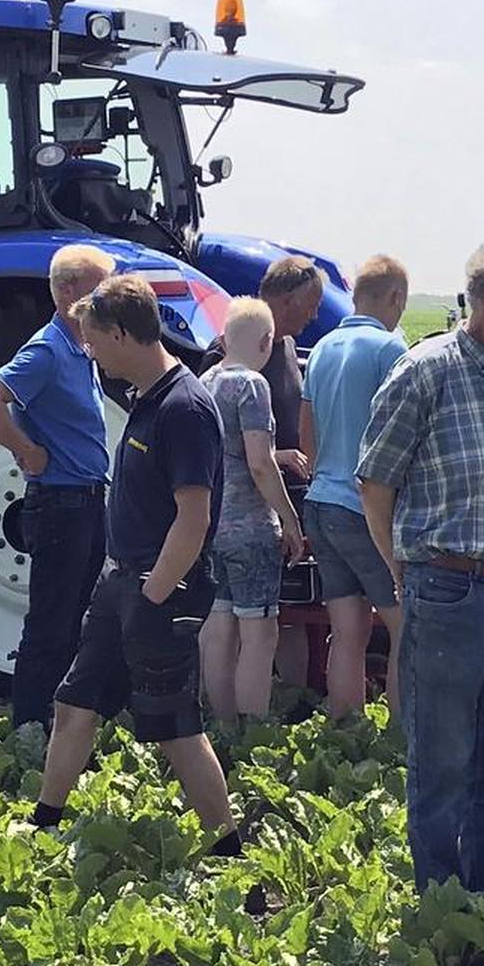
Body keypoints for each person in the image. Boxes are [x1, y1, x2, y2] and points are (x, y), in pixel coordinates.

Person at [358, 231, 484, 919]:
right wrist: (404, 568)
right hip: (447, 585)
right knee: (442, 756)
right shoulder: (427, 370)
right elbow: (376, 481)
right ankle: (443, 908)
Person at [31, 276, 240, 855]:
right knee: (74, 702)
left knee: (177, 728)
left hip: (160, 590)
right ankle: (43, 824)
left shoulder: (186, 408)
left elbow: (193, 519)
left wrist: (155, 595)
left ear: (121, 334)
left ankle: (229, 852)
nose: (90, 351)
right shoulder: (146, 397)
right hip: (119, 581)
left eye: (94, 340)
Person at [0, 244, 116, 729]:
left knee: (79, 618)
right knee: (51, 623)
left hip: (87, 499)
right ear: (69, 291)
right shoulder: (48, 350)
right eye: (100, 289)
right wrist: (25, 450)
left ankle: (67, 721)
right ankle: (30, 726)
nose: (107, 299)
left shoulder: (82, 349)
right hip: (60, 501)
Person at [203, 255, 326, 686]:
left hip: (235, 514)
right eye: (310, 305)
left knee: (244, 617)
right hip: (255, 512)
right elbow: (237, 449)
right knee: (258, 626)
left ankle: (243, 708)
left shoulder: (282, 348)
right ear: (286, 300)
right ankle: (252, 724)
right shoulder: (240, 368)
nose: (314, 315)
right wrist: (279, 459)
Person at [300, 254, 411, 719]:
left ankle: (346, 725)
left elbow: (307, 433)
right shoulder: (389, 350)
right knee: (405, 627)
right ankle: (405, 729)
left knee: (347, 629)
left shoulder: (323, 347)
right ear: (395, 298)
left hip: (321, 502)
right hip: (362, 507)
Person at [199, 298, 306, 723]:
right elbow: (259, 462)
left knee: (220, 627)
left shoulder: (204, 381)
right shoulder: (252, 386)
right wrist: (290, 520)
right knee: (259, 634)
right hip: (250, 529)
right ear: (267, 341)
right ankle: (252, 731)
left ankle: (219, 724)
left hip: (212, 525)